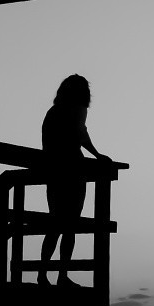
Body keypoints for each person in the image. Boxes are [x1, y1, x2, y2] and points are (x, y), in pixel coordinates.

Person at [38, 74, 110, 287]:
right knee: (69, 225)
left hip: (55, 171)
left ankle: (44, 274)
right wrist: (97, 155)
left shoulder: (53, 111)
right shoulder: (77, 109)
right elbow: (80, 135)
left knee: (56, 223)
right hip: (73, 170)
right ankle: (61, 276)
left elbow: (59, 140)